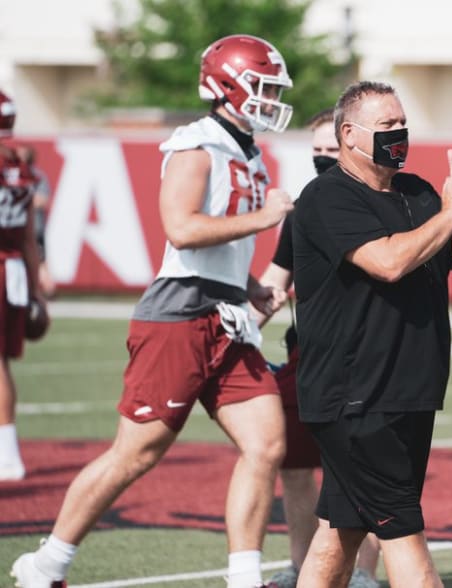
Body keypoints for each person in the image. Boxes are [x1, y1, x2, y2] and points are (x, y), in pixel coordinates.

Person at [10, 34, 296, 588]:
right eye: (259, 86)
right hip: (180, 315)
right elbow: (183, 230)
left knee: (266, 444)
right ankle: (46, 565)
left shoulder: (246, 149)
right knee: (136, 454)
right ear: (226, 85)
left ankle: (243, 578)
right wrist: (264, 219)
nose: (268, 99)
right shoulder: (197, 145)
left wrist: (249, 284)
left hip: (227, 313)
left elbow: (219, 244)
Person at [292, 81, 452, 588]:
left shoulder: (419, 191)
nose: (399, 133)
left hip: (408, 392)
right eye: (386, 126)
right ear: (350, 136)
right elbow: (388, 262)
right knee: (404, 534)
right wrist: (450, 210)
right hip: (355, 398)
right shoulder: (326, 197)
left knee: (342, 532)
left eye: (402, 123)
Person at [254, 109, 380, 588]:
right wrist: (242, 324)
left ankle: (363, 574)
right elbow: (276, 279)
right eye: (318, 151)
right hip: (308, 354)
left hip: (364, 356)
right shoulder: (308, 205)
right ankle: (301, 565)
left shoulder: (377, 201)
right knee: (295, 465)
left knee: (358, 470)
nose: (324, 159)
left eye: (333, 150)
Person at [0, 90, 44, 482]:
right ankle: (7, 451)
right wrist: (37, 293)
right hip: (12, 268)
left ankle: (8, 456)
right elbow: (29, 237)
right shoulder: (19, 163)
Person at [15, 144, 57, 299]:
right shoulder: (13, 176)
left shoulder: (36, 176)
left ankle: (48, 290)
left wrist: (20, 201)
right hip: (18, 226)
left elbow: (42, 199)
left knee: (40, 259)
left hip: (34, 226)